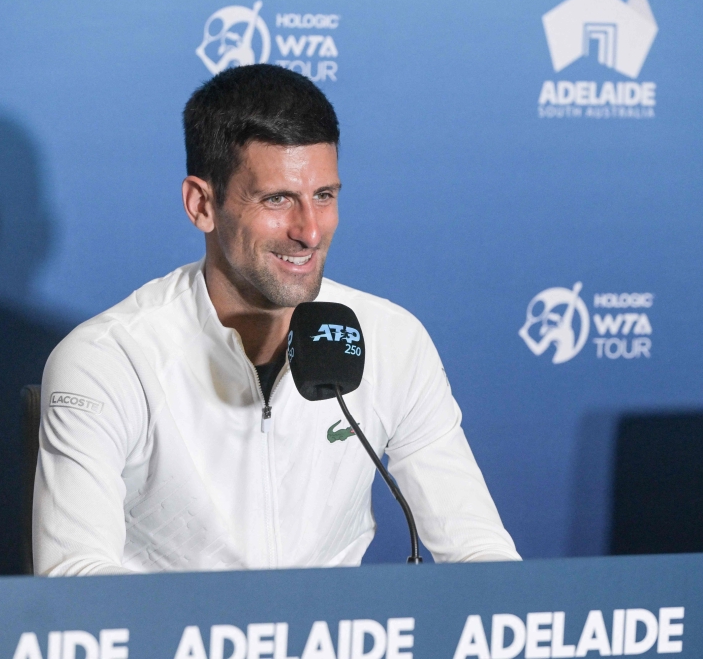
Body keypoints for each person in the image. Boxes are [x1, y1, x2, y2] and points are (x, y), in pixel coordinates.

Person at [32, 65, 519, 576]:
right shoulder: (110, 358)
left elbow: (479, 553)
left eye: (324, 196)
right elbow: (75, 580)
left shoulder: (391, 340)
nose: (310, 231)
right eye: (277, 199)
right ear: (202, 205)